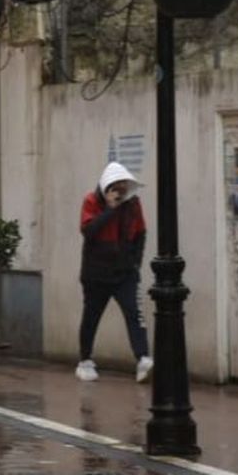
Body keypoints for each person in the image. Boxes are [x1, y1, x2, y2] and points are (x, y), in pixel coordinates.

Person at [77, 161, 152, 383]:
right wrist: (110, 210)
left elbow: (140, 233)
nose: (120, 191)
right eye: (115, 186)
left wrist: (135, 263)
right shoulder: (91, 201)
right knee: (91, 316)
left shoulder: (133, 204)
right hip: (96, 273)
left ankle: (143, 358)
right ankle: (85, 360)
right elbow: (89, 231)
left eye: (123, 186)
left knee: (134, 314)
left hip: (124, 273)